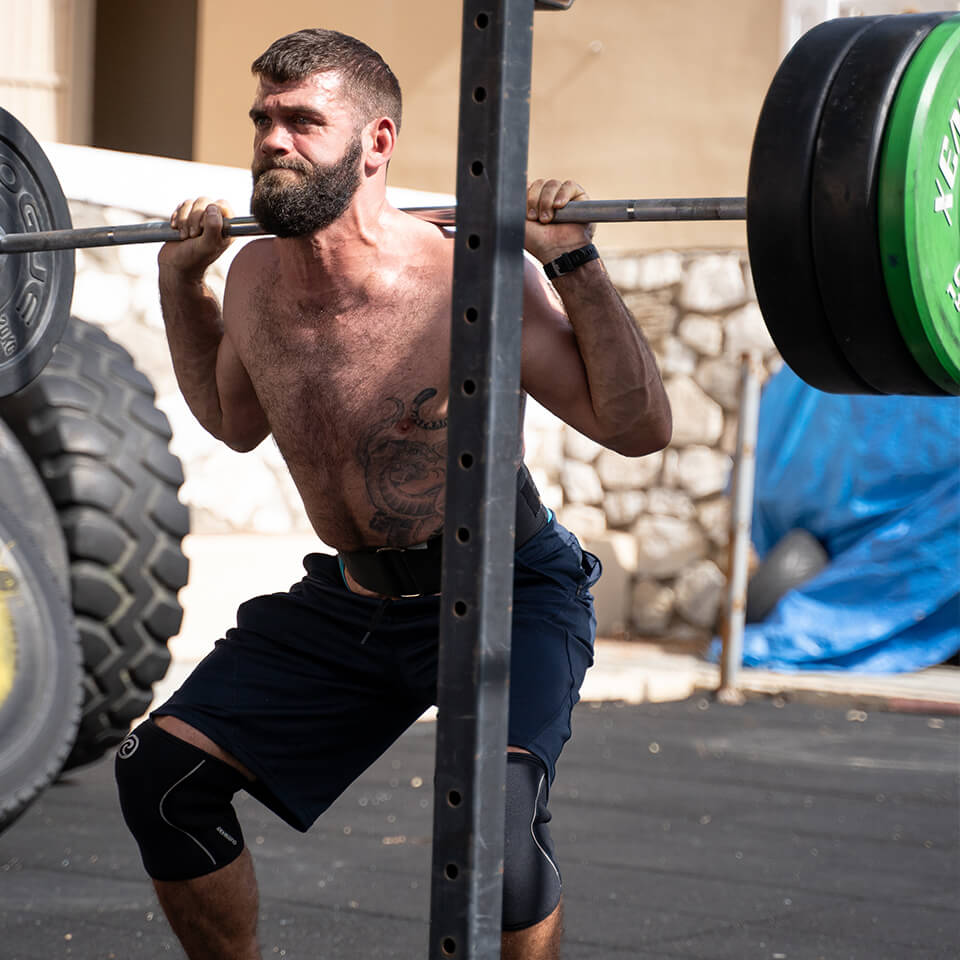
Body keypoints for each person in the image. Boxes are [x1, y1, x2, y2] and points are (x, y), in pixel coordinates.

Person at [114, 27, 671, 960]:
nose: (271, 142)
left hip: (504, 588)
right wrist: (182, 285)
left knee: (494, 832)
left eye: (301, 121)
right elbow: (232, 419)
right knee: (161, 774)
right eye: (263, 120)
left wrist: (575, 264)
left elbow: (639, 427)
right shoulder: (254, 278)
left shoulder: (467, 278)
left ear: (375, 142)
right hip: (356, 600)